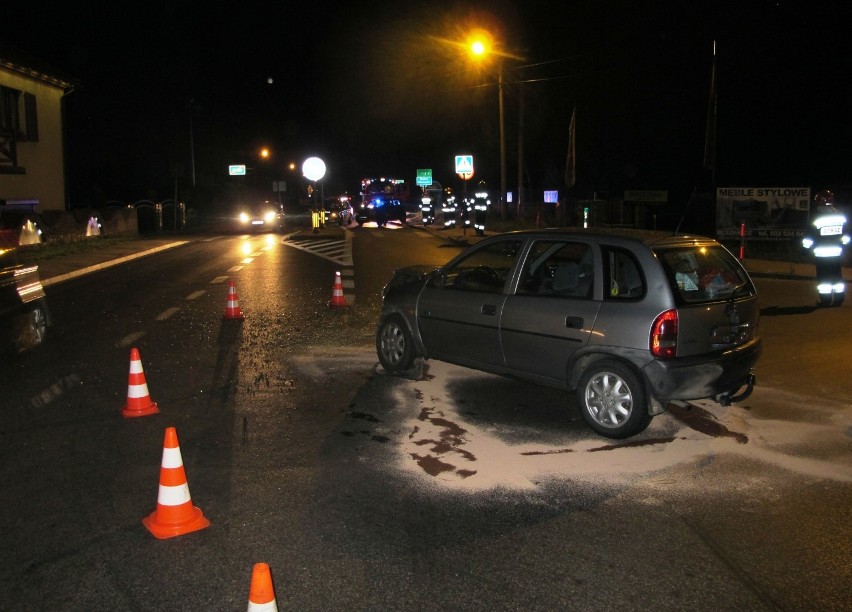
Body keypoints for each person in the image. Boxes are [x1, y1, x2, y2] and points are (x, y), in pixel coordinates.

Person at [802, 190, 850, 306]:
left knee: (824, 279)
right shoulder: (840, 215)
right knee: (837, 276)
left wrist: (805, 250)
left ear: (819, 202)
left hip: (821, 254)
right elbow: (846, 236)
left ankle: (826, 300)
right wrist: (842, 246)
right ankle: (839, 299)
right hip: (836, 253)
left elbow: (809, 238)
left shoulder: (816, 217)